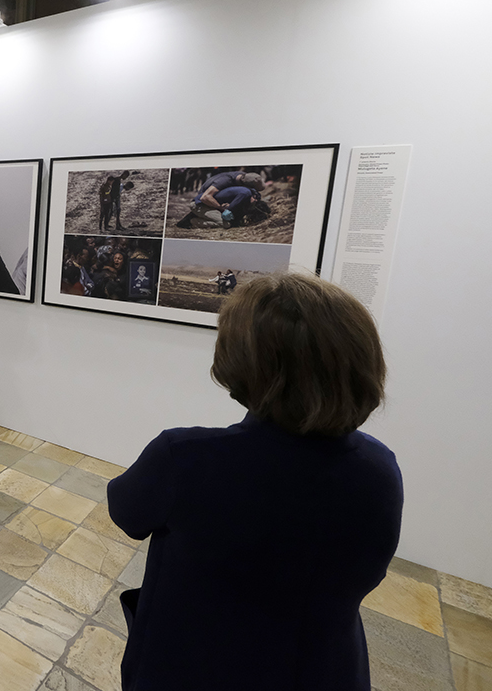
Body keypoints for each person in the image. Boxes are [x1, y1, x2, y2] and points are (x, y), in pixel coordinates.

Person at [106, 272, 402, 691]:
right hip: (324, 669)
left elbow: (125, 510)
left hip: (194, 666)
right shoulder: (379, 469)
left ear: (242, 363)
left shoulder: (186, 458)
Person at [175, 171, 264, 229]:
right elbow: (205, 197)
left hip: (218, 199)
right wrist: (221, 208)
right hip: (203, 202)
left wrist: (255, 195)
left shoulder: (244, 176)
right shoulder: (223, 181)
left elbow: (252, 190)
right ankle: (192, 221)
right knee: (225, 224)